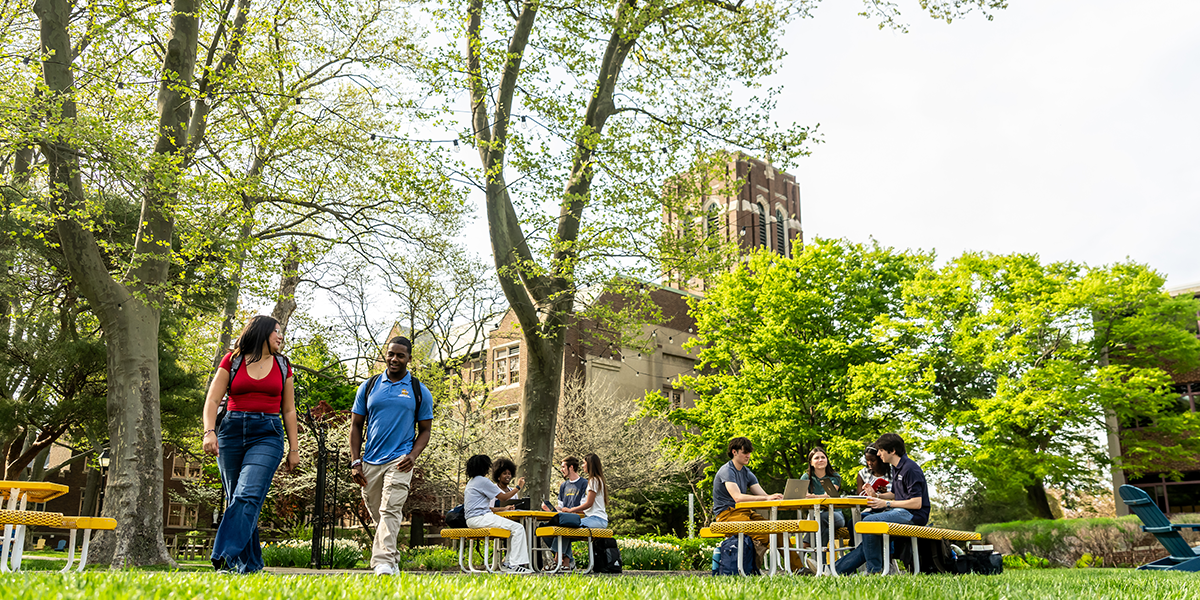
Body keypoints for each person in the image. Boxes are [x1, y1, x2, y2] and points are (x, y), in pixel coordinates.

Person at [202, 315, 299, 574]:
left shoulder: (282, 365)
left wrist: (294, 448)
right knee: (239, 501)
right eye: (277, 331)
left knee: (247, 495)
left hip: (267, 433)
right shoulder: (232, 360)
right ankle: (251, 567)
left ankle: (223, 556)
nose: (281, 336)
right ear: (262, 332)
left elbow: (289, 410)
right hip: (231, 432)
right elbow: (212, 401)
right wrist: (209, 432)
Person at [349, 336, 434, 576]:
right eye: (390, 354)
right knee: (379, 513)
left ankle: (383, 562)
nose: (394, 359)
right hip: (370, 462)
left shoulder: (419, 391)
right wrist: (356, 461)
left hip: (400, 461)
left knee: (390, 509)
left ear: (409, 358)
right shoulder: (369, 386)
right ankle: (393, 558)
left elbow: (425, 430)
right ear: (385, 355)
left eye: (400, 355)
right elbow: (355, 426)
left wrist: (414, 454)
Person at [835, 433, 930, 575]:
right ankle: (835, 570)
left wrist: (885, 504)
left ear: (892, 451)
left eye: (881, 450)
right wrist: (877, 495)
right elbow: (896, 494)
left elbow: (917, 503)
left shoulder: (910, 469)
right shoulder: (897, 467)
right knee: (868, 534)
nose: (878, 454)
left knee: (868, 522)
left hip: (914, 515)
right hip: (902, 512)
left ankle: (874, 571)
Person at [712, 437, 802, 570]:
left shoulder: (747, 472)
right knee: (764, 534)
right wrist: (766, 499)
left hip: (745, 513)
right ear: (734, 452)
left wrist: (775, 497)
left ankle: (798, 569)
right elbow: (738, 497)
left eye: (749, 452)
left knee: (778, 531)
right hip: (726, 515)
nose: (748, 455)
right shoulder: (727, 470)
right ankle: (750, 568)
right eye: (744, 452)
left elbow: (763, 496)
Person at [463, 454, 532, 574]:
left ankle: (508, 563)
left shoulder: (472, 482)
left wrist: (503, 509)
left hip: (471, 519)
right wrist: (518, 487)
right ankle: (514, 565)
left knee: (512, 530)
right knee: (519, 528)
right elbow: (504, 497)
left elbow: (485, 506)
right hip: (480, 518)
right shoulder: (483, 481)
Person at [541, 456, 590, 569]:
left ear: (571, 467)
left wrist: (571, 511)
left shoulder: (584, 483)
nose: (561, 469)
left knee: (565, 529)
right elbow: (561, 507)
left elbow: (584, 506)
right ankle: (568, 561)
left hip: (579, 519)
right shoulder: (564, 485)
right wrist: (550, 509)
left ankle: (557, 560)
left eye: (563, 467)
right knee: (544, 530)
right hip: (564, 519)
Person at [800, 446, 846, 552]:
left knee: (821, 519)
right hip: (813, 516)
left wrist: (812, 496)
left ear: (827, 460)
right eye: (816, 458)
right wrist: (812, 496)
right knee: (822, 527)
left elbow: (829, 495)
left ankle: (805, 544)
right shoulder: (806, 477)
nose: (820, 460)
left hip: (835, 515)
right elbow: (803, 496)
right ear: (811, 463)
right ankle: (822, 565)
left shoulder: (835, 477)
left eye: (823, 457)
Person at [560, 453, 608, 528]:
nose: (582, 466)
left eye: (583, 463)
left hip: (596, 519)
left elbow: (589, 503)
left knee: (568, 528)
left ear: (590, 464)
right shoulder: (597, 479)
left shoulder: (593, 480)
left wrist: (571, 510)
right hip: (596, 519)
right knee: (566, 528)